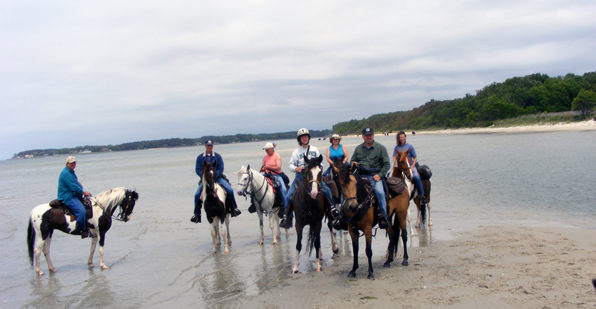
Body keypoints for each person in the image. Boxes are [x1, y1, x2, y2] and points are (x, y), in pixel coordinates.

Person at [280, 128, 337, 229]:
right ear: (300, 139)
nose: (305, 138)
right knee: (289, 196)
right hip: (300, 176)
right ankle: (287, 218)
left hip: (314, 176)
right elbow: (290, 165)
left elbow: (321, 162)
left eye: (306, 137)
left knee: (327, 190)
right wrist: (296, 168)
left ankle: (333, 211)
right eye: (302, 137)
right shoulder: (296, 152)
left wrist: (319, 168)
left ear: (308, 138)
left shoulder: (315, 149)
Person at [191, 140, 241, 223]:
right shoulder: (200, 158)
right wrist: (204, 176)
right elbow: (198, 169)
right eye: (208, 145)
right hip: (206, 180)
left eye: (210, 145)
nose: (209, 147)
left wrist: (214, 176)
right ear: (205, 146)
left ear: (212, 146)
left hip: (217, 178)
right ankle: (196, 214)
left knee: (230, 190)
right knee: (197, 195)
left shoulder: (217, 156)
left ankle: (234, 208)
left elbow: (221, 168)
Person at [350, 127, 390, 229]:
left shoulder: (381, 148)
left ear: (373, 135)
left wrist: (380, 175)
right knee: (347, 190)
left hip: (374, 175)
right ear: (363, 137)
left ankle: (383, 216)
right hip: (359, 174)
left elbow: (386, 164)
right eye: (366, 135)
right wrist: (353, 163)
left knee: (380, 192)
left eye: (370, 135)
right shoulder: (358, 149)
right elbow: (352, 161)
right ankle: (343, 216)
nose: (368, 137)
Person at [58, 156, 92, 238]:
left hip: (74, 194)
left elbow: (76, 183)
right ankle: (81, 229)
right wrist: (83, 192)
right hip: (68, 196)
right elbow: (72, 186)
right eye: (71, 163)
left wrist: (83, 191)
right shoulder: (66, 173)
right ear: (67, 164)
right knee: (81, 211)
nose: (73, 164)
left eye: (74, 162)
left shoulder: (71, 171)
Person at [393, 130, 428, 207]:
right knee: (390, 177)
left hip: (409, 166)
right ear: (399, 138)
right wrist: (396, 163)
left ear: (405, 137)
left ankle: (422, 195)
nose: (402, 138)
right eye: (400, 137)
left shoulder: (410, 147)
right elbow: (394, 157)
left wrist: (412, 167)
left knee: (416, 177)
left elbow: (415, 158)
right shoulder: (396, 147)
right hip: (400, 167)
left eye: (403, 137)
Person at [258, 142, 287, 212]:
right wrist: (262, 169)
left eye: (267, 150)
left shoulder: (277, 156)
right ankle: (254, 204)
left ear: (272, 149)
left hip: (276, 175)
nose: (266, 151)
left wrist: (268, 167)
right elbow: (262, 167)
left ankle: (284, 207)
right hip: (266, 174)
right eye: (265, 150)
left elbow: (278, 167)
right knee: (257, 185)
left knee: (283, 189)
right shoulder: (265, 157)